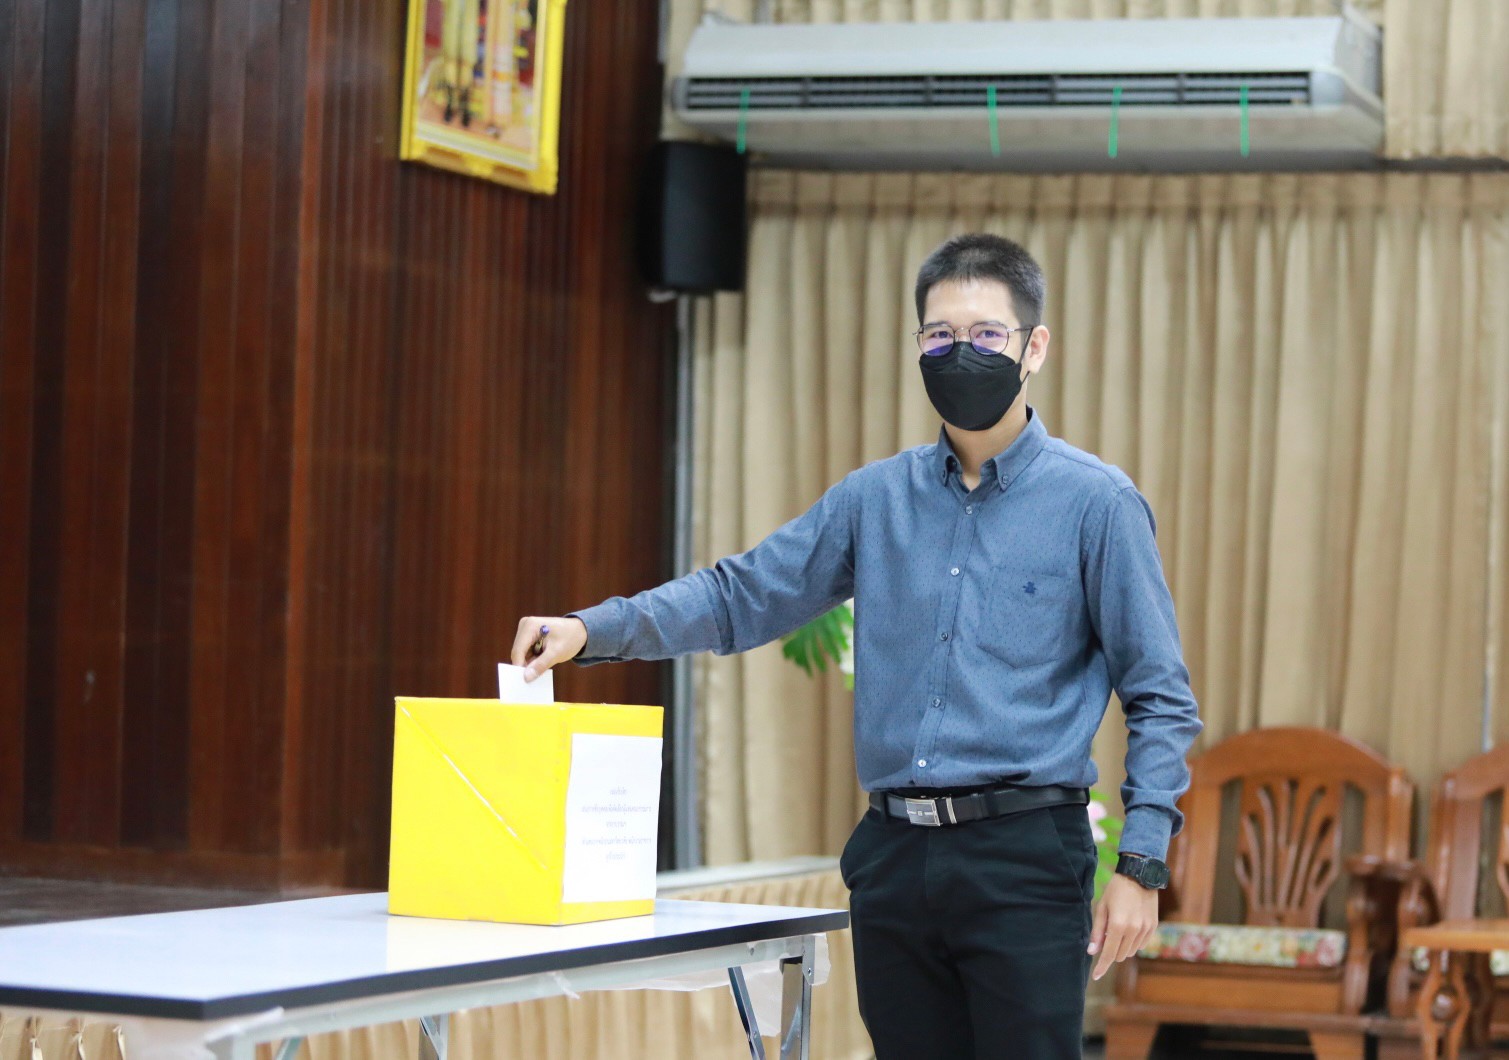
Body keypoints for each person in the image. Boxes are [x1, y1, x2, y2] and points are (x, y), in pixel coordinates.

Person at [511, 233, 1203, 1059]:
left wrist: (1140, 866)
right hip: (893, 856)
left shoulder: (1097, 505)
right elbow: (743, 595)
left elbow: (1159, 695)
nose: (960, 353)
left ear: (1034, 347)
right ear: (917, 346)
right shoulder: (873, 500)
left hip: (1022, 856)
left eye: (986, 334)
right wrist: (594, 629)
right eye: (939, 336)